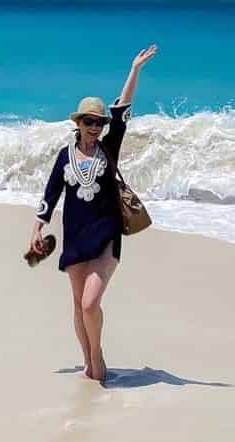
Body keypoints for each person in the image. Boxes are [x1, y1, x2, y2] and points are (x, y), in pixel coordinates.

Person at [30, 45, 157, 385]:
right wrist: (37, 230)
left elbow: (122, 109)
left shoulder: (108, 147)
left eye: (98, 122)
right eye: (89, 122)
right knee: (77, 304)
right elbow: (50, 194)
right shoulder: (64, 155)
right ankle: (87, 361)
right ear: (78, 123)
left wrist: (135, 70)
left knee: (90, 304)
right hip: (74, 237)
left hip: (106, 235)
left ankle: (97, 356)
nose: (95, 127)